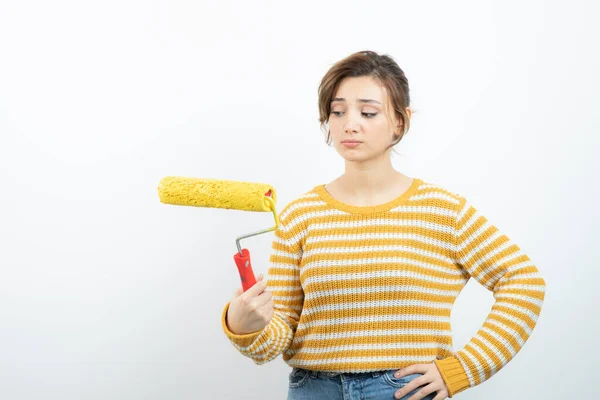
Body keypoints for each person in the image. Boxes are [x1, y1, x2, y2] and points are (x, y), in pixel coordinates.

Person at [221, 50, 546, 400]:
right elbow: (274, 342)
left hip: (403, 390)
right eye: (337, 111)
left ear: (400, 122)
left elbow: (524, 283)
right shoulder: (302, 214)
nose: (350, 123)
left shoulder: (442, 211)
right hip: (313, 389)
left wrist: (462, 369)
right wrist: (243, 324)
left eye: (368, 112)